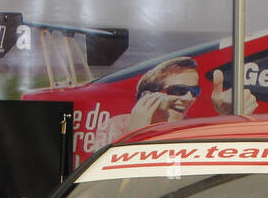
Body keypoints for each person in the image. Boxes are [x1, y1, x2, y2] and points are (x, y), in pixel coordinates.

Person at [108, 56, 259, 141]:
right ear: (147, 96)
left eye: (194, 91)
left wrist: (229, 120)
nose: (189, 98)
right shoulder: (117, 126)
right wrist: (136, 134)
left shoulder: (190, 130)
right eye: (179, 90)